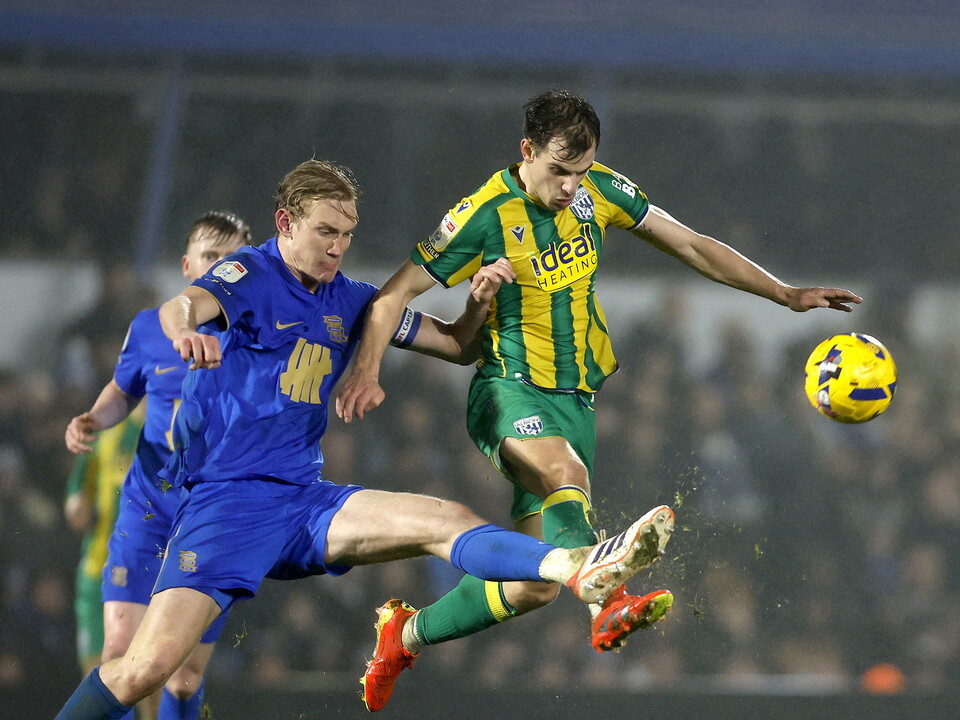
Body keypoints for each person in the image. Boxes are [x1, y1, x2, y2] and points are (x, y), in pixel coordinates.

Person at [53, 159, 675, 720]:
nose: (338, 248)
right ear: (286, 223)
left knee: (445, 518)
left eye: (347, 235)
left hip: (304, 500)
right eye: (326, 232)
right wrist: (188, 332)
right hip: (228, 507)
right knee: (148, 672)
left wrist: (479, 302)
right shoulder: (248, 273)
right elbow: (179, 308)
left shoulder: (351, 299)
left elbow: (456, 346)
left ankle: (575, 565)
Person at [336, 89, 863, 705]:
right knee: (567, 473)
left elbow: (691, 245)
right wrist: (367, 371)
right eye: (559, 171)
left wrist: (786, 294)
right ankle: (605, 603)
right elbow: (392, 295)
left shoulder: (599, 192)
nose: (569, 187)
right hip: (508, 390)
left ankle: (407, 634)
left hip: (577, 400)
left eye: (580, 172)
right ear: (527, 150)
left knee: (531, 584)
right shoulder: (482, 213)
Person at [63, 211, 252, 720]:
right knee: (117, 653)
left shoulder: (260, 336)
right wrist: (93, 418)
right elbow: (123, 390)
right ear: (188, 265)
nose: (221, 266)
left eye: (232, 256)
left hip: (209, 516)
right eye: (210, 256)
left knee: (185, 678)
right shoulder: (149, 328)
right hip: (146, 508)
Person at [63, 410, 144, 676]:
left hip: (142, 572)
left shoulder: (168, 426)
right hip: (97, 568)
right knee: (96, 674)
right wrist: (78, 509)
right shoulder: (104, 428)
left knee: (141, 676)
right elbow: (77, 498)